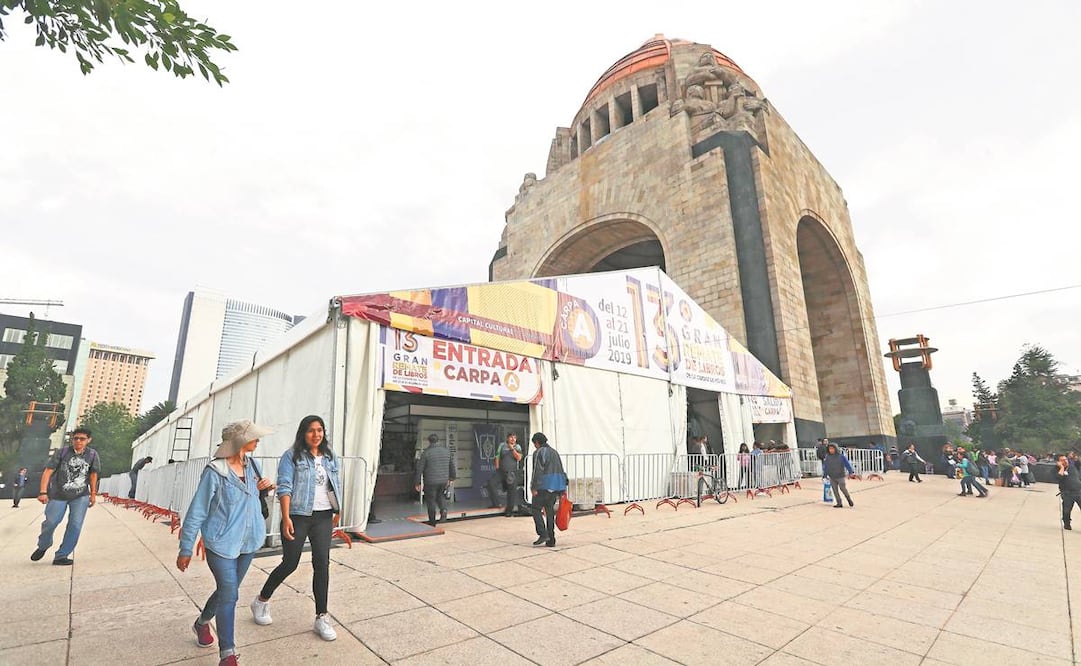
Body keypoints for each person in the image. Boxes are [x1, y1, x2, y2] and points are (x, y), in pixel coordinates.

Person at [177, 420, 275, 666]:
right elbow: (197, 511)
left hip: (249, 542)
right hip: (220, 543)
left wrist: (266, 488)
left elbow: (254, 499)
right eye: (254, 437)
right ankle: (228, 654)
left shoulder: (253, 465)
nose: (258, 440)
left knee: (225, 592)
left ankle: (201, 623)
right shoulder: (215, 471)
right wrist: (186, 547)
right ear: (240, 441)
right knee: (230, 594)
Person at [252, 415, 341, 641]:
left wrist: (338, 509)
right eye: (311, 430)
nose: (316, 434)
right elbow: (285, 487)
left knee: (322, 564)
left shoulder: (330, 456)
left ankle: (321, 616)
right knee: (290, 563)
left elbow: (335, 483)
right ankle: (261, 600)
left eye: (320, 430)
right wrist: (286, 517)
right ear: (303, 433)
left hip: (323, 516)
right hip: (298, 515)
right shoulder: (291, 456)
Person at [30, 429, 101, 565]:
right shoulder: (62, 452)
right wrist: (43, 492)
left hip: (81, 496)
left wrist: (93, 494)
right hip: (58, 494)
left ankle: (62, 555)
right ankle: (43, 545)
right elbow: (48, 471)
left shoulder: (92, 455)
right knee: (51, 522)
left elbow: (93, 475)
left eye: (82, 439)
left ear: (88, 440)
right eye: (75, 438)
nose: (78, 441)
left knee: (75, 525)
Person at [529, 432, 567, 547]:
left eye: (534, 444)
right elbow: (561, 469)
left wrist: (534, 487)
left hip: (543, 485)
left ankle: (542, 533)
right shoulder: (555, 452)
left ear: (536, 442)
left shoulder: (539, 452)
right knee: (549, 511)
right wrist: (562, 488)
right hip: (555, 486)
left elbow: (537, 471)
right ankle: (551, 539)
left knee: (535, 508)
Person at [414, 433, 455, 526]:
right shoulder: (446, 451)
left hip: (430, 481)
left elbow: (419, 469)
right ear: (438, 441)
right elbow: (451, 465)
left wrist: (417, 483)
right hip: (443, 480)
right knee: (440, 496)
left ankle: (432, 522)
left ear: (429, 441)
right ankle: (443, 510)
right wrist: (452, 478)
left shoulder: (426, 453)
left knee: (431, 500)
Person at [495, 432, 523, 516]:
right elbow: (497, 456)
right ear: (507, 438)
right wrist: (497, 467)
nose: (513, 439)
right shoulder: (502, 445)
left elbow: (519, 458)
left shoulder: (517, 447)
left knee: (511, 492)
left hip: (512, 472)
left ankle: (509, 511)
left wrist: (512, 449)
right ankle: (496, 503)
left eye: (514, 437)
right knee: (491, 484)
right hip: (501, 471)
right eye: (511, 437)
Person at [822, 443, 854, 508]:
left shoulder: (841, 456)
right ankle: (839, 503)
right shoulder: (827, 457)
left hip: (840, 476)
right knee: (835, 490)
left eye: (832, 448)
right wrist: (825, 475)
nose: (831, 450)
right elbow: (826, 467)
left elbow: (847, 464)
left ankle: (848, 499)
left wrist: (851, 472)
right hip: (832, 476)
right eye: (830, 449)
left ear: (836, 449)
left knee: (843, 488)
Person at [1057, 454, 1081, 530]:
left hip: (1078, 491)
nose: (1065, 461)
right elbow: (1058, 478)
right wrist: (1062, 467)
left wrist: (1074, 455)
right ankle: (1067, 524)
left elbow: (1078, 461)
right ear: (1058, 462)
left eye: (1066, 459)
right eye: (1062, 460)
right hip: (1067, 493)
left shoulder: (1073, 467)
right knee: (1066, 511)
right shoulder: (1056, 469)